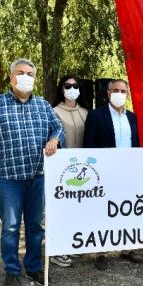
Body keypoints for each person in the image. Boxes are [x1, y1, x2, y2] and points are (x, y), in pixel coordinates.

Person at [0, 59, 64, 286]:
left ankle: (33, 267)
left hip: (38, 175)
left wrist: (55, 139)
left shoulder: (43, 105)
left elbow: (59, 128)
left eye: (30, 74)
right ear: (11, 77)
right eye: (20, 73)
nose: (25, 77)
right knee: (10, 226)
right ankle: (12, 270)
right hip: (8, 177)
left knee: (36, 225)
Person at [83, 79, 141, 270]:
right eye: (115, 90)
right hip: (104, 173)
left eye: (123, 91)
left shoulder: (132, 117)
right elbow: (89, 146)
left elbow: (136, 144)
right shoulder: (96, 115)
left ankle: (127, 248)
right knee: (104, 211)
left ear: (127, 94)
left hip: (128, 173)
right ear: (108, 93)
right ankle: (101, 252)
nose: (119, 94)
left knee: (127, 209)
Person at [49, 75, 89, 268]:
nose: (72, 89)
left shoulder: (85, 112)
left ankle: (73, 243)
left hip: (84, 169)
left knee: (78, 209)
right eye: (68, 85)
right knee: (61, 210)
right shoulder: (53, 112)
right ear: (62, 88)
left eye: (75, 86)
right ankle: (58, 250)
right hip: (62, 169)